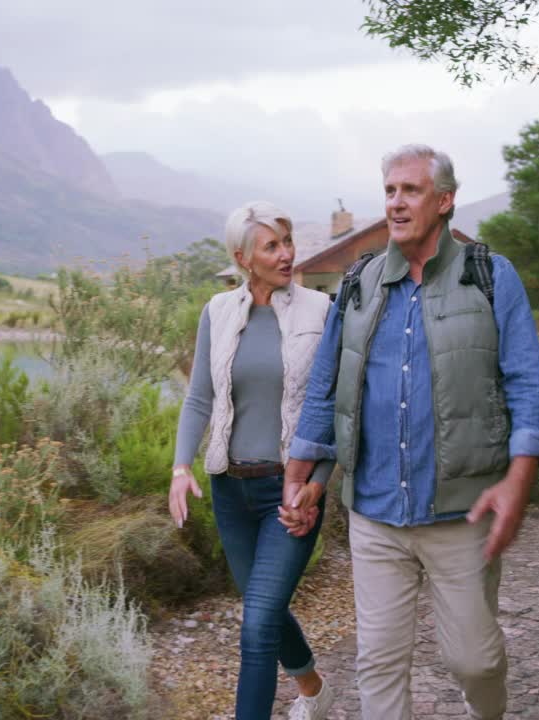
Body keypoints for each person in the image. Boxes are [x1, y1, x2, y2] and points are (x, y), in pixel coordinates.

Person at [281, 145, 539, 720]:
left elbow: (528, 383)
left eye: (410, 191)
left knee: (475, 662)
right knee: (378, 663)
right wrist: (301, 475)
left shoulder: (489, 276)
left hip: (461, 512)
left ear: (444, 200)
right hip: (375, 512)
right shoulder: (358, 283)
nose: (396, 203)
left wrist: (519, 478)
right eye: (389, 191)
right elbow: (325, 386)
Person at [169, 201, 338, 720]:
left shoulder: (320, 311)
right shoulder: (217, 312)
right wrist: (180, 468)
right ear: (244, 258)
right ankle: (313, 689)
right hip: (230, 490)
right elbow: (199, 396)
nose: (287, 254)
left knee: (256, 624)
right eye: (273, 245)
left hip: (289, 493)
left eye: (287, 241)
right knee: (264, 609)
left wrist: (319, 483)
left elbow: (336, 405)